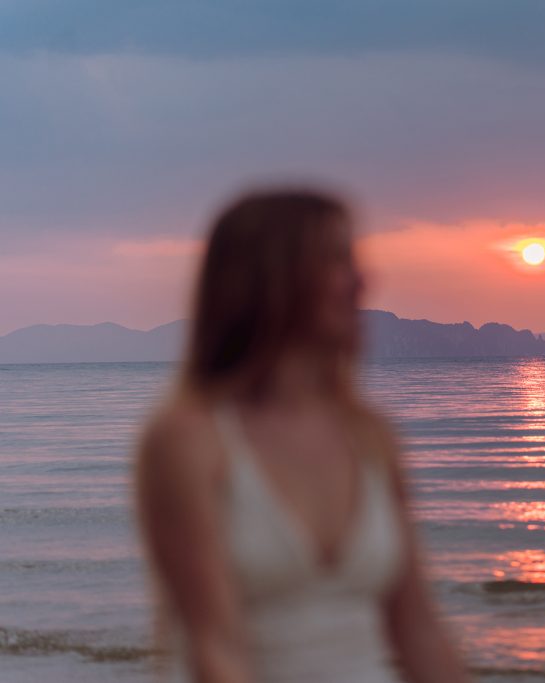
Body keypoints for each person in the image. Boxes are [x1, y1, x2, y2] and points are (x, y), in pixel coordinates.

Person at [135, 190, 468, 683]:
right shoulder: (190, 440)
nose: (361, 281)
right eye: (335, 260)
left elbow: (419, 630)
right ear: (269, 282)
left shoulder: (369, 436)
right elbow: (216, 649)